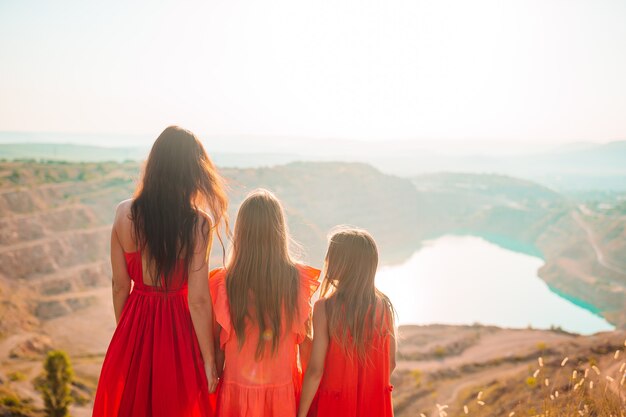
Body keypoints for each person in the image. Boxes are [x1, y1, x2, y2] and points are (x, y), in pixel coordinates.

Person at [92, 126, 228, 417]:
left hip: (134, 325)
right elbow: (199, 300)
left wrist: (127, 335)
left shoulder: (122, 213)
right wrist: (208, 360)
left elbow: (119, 286)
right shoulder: (198, 224)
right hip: (180, 331)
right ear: (192, 171)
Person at [209, 189, 320, 417]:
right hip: (284, 400)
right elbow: (307, 353)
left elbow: (217, 352)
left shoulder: (224, 284)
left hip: (235, 401)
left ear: (241, 232)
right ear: (279, 230)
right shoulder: (298, 282)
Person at [298, 228, 396, 417]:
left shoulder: (325, 308)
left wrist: (301, 413)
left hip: (335, 405)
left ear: (345, 263)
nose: (327, 260)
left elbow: (315, 370)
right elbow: (391, 362)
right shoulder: (383, 306)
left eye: (332, 255)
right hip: (375, 405)